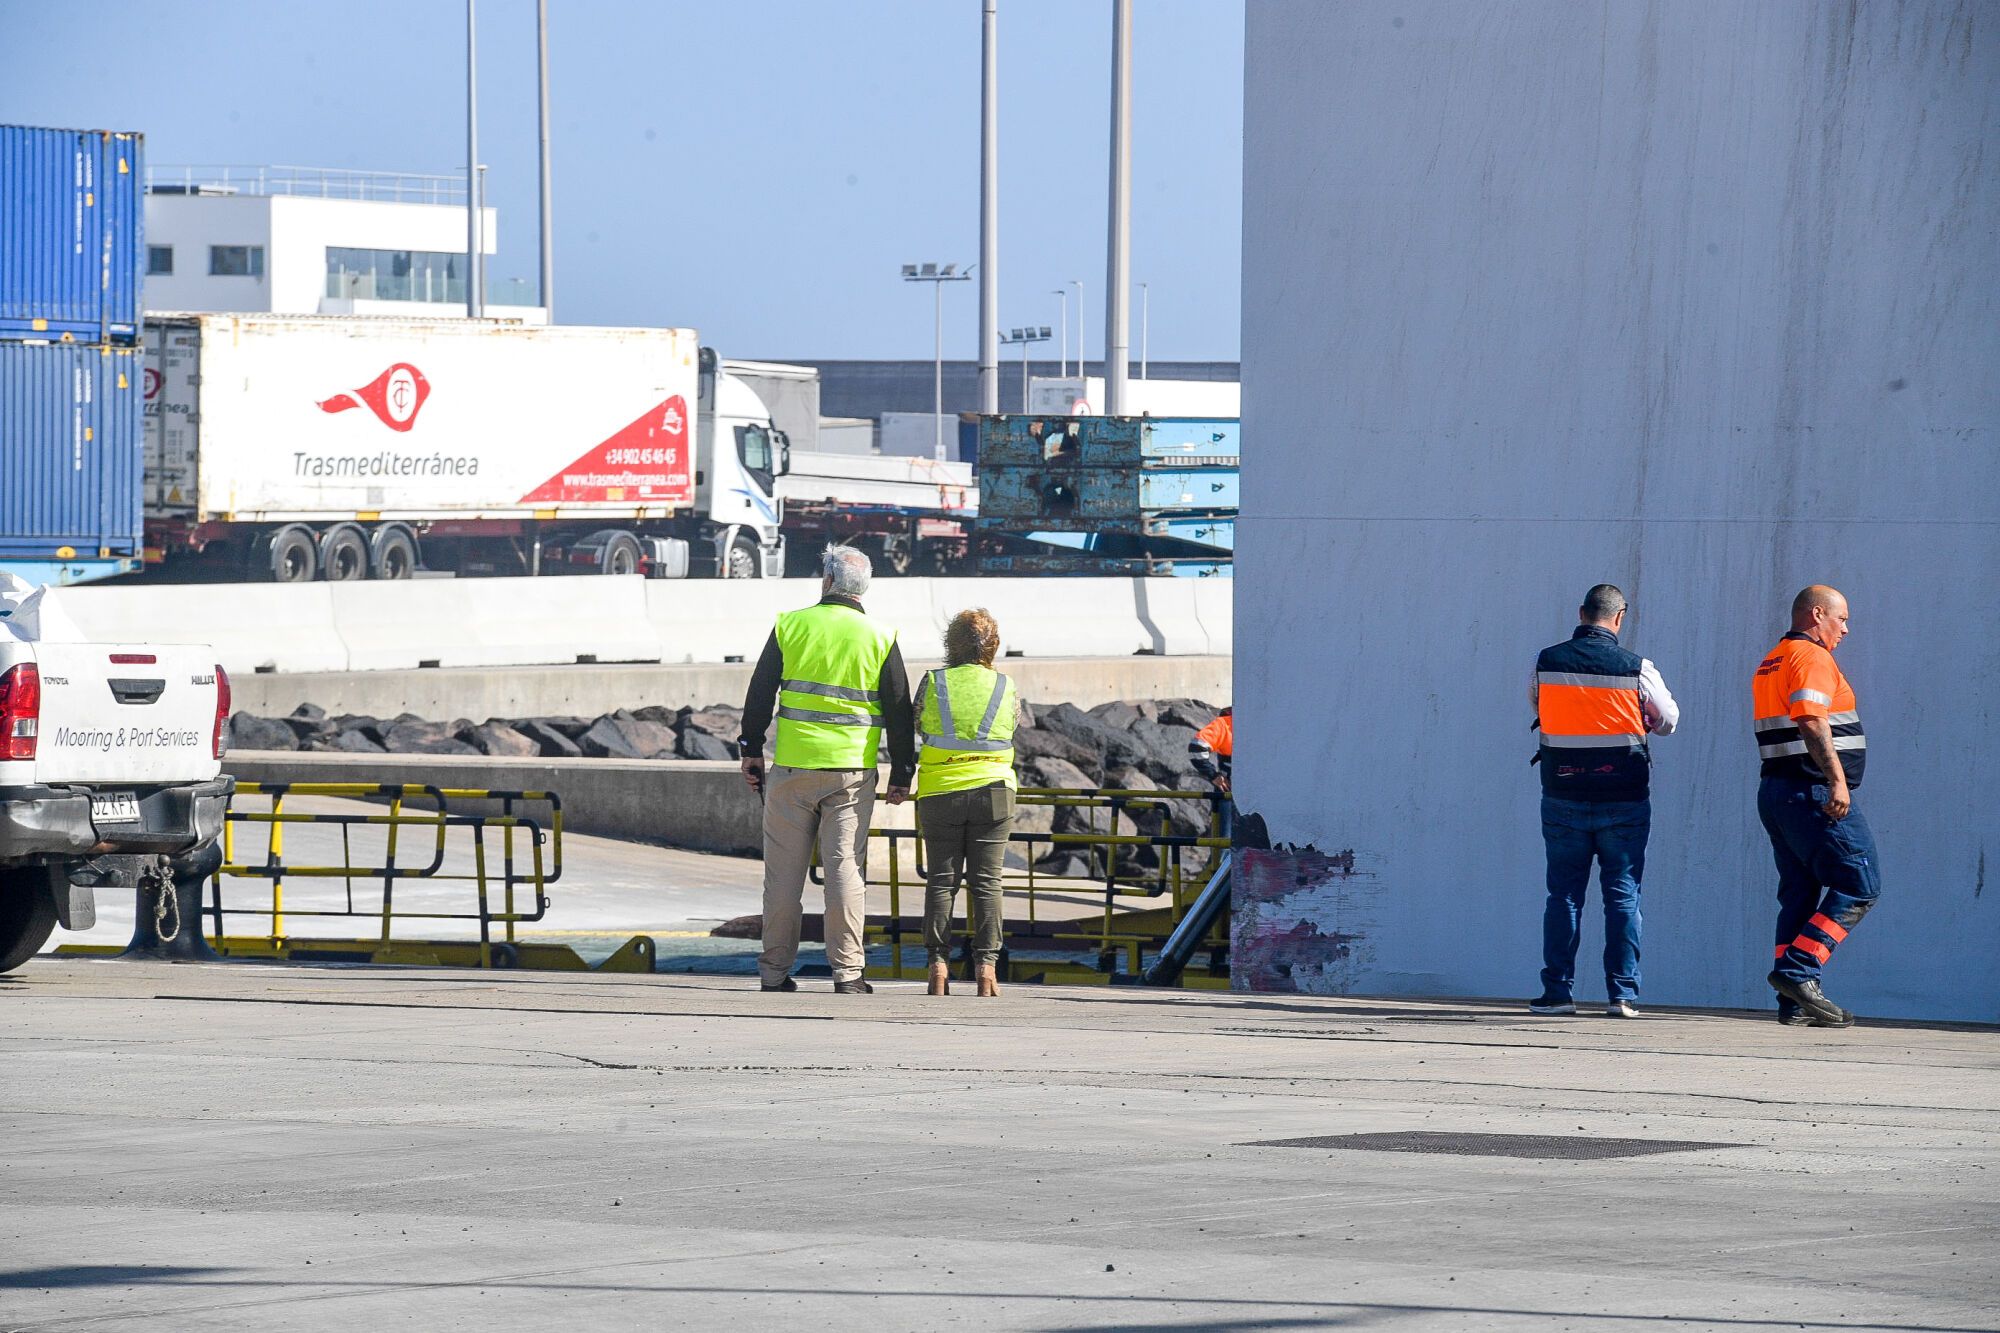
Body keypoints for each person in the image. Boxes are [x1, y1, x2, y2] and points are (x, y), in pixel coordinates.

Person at [738, 544, 915, 995]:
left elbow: (760, 694)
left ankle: (773, 974)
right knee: (843, 871)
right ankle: (848, 974)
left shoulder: (790, 625)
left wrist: (751, 749)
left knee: (782, 877)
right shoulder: (881, 636)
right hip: (852, 774)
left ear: (828, 581)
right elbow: (898, 710)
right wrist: (901, 773)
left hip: (793, 768)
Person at [1527, 584, 1678, 1018]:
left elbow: (1536, 703)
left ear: (1581, 613)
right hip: (1623, 797)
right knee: (1623, 896)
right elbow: (1668, 721)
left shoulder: (1547, 661)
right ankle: (1623, 996)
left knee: (1564, 896)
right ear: (1619, 617)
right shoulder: (1637, 667)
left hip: (1562, 793)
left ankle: (1557, 994)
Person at [1753, 585, 1877, 1029]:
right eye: (1841, 619)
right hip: (1812, 792)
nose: (1846, 628)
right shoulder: (1811, 657)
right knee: (1861, 882)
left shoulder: (1773, 659)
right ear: (1817, 614)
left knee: (1799, 892)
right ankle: (1798, 973)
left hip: (1779, 792)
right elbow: (1810, 717)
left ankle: (1793, 1002)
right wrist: (1837, 782)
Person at [914, 608, 1019, 998]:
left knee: (942, 882)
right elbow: (1014, 725)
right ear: (993, 645)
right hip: (994, 792)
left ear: (950, 643)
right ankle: (987, 969)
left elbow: (919, 724)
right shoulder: (1005, 686)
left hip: (940, 791)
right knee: (988, 884)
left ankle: (937, 965)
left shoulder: (933, 683)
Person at [1188, 707, 1233, 794]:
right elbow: (1197, 747)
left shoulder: (1226, 723)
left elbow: (1196, 748)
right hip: (1230, 794)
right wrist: (1213, 775)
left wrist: (1214, 776)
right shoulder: (1226, 723)